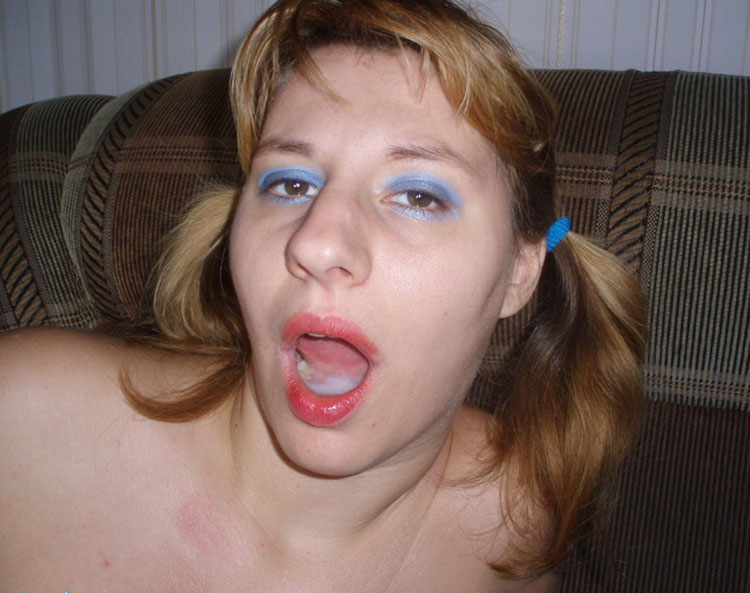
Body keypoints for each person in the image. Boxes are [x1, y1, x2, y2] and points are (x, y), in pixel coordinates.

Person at [0, 0, 646, 591]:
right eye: (290, 184)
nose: (316, 241)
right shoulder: (23, 419)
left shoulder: (513, 519)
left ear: (519, 271)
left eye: (418, 195)